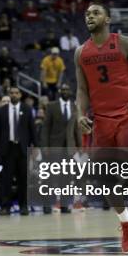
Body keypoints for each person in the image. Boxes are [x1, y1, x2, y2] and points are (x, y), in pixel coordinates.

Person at [75, 3, 128, 256]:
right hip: (101, 119)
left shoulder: (126, 44)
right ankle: (126, 223)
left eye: (95, 13)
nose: (90, 16)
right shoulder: (81, 52)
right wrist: (80, 114)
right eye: (87, 14)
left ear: (108, 19)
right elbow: (82, 89)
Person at [0, 87, 37, 216]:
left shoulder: (27, 109)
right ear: (9, 95)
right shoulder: (1, 111)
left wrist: (36, 146)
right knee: (6, 180)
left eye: (16, 93)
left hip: (23, 149)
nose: (14, 95)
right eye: (12, 93)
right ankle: (5, 206)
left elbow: (32, 129)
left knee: (23, 180)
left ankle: (23, 206)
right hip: (7, 149)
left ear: (20, 95)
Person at [40, 83, 81, 213]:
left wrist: (79, 146)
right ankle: (47, 205)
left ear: (70, 92)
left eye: (67, 89)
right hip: (54, 146)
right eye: (62, 89)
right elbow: (46, 127)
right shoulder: (52, 106)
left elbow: (77, 128)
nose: (64, 91)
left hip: (68, 148)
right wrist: (45, 146)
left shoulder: (75, 107)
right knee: (51, 177)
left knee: (67, 178)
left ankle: (64, 205)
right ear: (59, 92)